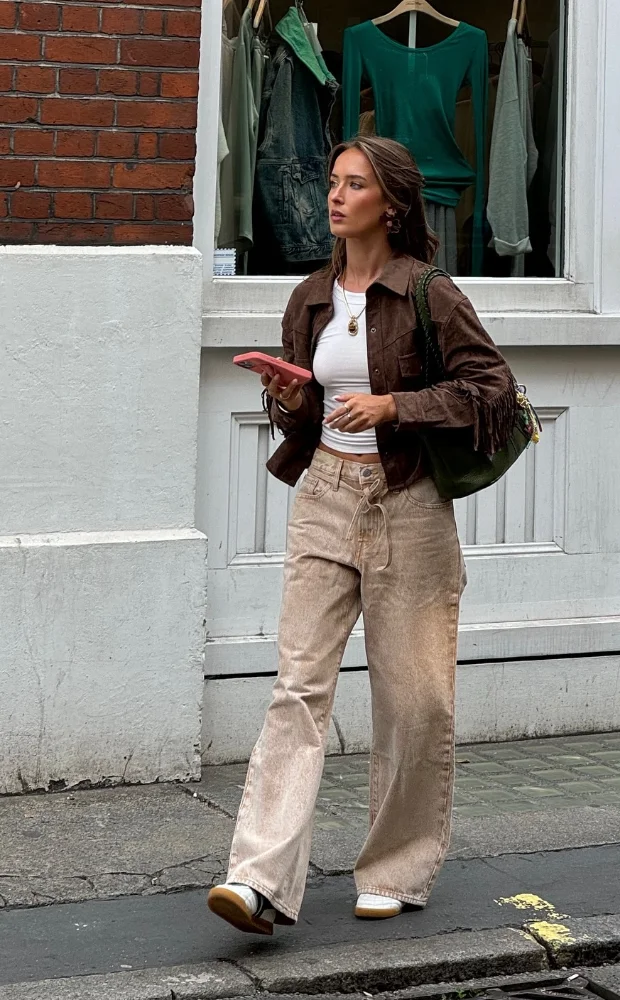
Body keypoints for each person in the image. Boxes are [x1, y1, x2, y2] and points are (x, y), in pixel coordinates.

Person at [208, 136, 517, 935]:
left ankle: (396, 866)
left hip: (407, 503)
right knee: (298, 688)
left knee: (412, 699)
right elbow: (310, 409)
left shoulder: (429, 292)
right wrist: (287, 395)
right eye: (335, 183)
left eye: (355, 185)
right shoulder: (311, 295)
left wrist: (395, 406)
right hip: (323, 495)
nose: (336, 197)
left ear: (392, 203)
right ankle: (258, 880)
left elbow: (490, 388)